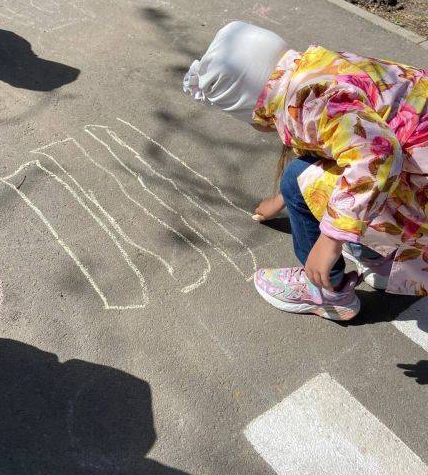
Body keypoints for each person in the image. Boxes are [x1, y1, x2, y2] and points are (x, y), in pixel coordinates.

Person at [183, 20, 428, 321]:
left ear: (251, 103)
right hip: (417, 158)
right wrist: (283, 199)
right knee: (298, 179)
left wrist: (331, 239)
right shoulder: (313, 71)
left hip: (414, 179)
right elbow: (342, 142)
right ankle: (379, 254)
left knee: (298, 180)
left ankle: (327, 291)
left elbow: (379, 156)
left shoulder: (311, 99)